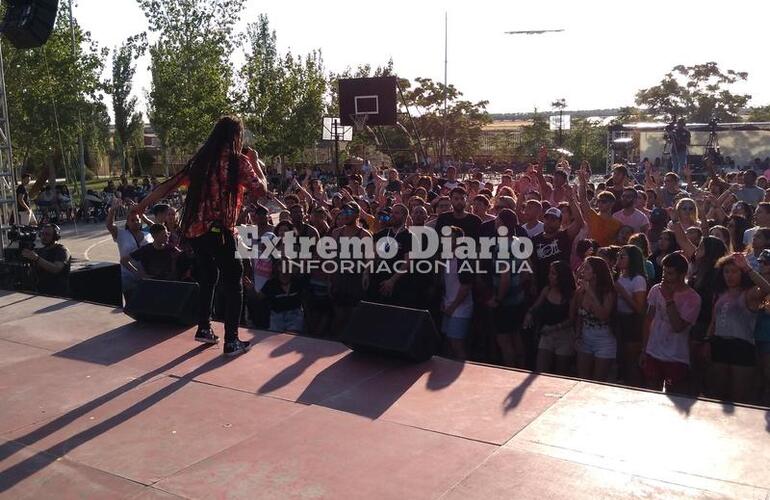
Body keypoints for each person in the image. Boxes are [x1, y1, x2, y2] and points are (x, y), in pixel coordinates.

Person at [134, 116, 267, 356]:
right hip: (220, 231)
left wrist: (141, 205)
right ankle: (232, 340)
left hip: (195, 231)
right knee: (234, 280)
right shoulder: (238, 162)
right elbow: (262, 190)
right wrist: (256, 162)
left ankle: (204, 327)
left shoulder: (202, 162)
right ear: (236, 136)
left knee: (209, 275)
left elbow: (168, 185)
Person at [706, 253, 770, 403]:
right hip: (719, 345)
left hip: (742, 347)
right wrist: (707, 342)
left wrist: (747, 268)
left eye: (734, 271)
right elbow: (713, 321)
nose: (730, 276)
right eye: (726, 271)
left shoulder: (749, 294)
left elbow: (767, 289)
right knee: (719, 395)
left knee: (739, 398)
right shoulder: (720, 294)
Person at [641, 252, 701, 393]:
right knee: (651, 394)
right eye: (664, 272)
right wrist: (644, 350)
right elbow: (648, 320)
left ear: (682, 275)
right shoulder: (656, 290)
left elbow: (678, 326)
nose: (665, 277)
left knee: (674, 396)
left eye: (670, 273)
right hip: (653, 352)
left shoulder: (693, 298)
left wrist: (669, 299)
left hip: (676, 357)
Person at [526, 260, 576, 375]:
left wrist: (554, 328)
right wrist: (529, 314)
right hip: (547, 334)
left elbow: (571, 319)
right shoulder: (547, 290)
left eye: (553, 273)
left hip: (564, 335)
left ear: (561, 276)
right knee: (540, 370)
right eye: (550, 273)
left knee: (560, 373)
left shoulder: (571, 295)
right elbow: (536, 306)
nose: (549, 276)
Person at [572, 256, 616, 382]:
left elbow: (603, 315)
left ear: (596, 273)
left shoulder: (608, 292)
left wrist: (590, 292)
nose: (582, 271)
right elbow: (578, 315)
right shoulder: (580, 292)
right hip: (585, 340)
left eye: (586, 268)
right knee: (582, 381)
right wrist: (577, 335)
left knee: (598, 383)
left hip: (604, 342)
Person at [107, 198, 153, 303]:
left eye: (137, 220)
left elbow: (158, 229)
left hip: (147, 275)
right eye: (132, 220)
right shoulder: (121, 234)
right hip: (128, 277)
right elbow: (110, 225)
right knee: (132, 304)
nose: (135, 222)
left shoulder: (148, 235)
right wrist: (112, 210)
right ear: (127, 222)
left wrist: (142, 214)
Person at [614, 245, 648, 387]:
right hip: (619, 321)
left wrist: (622, 291)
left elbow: (639, 308)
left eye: (623, 256)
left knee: (631, 362)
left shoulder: (638, 279)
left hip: (632, 323)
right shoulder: (619, 276)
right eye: (618, 256)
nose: (619, 259)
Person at [441, 226, 474, 360]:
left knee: (457, 345)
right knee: (448, 343)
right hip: (448, 306)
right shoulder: (447, 258)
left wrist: (453, 307)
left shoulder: (463, 259)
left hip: (460, 309)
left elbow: (465, 287)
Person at [21, 224, 71, 296]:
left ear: (55, 237)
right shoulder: (41, 251)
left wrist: (36, 258)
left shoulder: (62, 251)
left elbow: (56, 269)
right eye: (42, 234)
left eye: (47, 234)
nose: (43, 237)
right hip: (42, 293)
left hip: (59, 294)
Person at [262, 260, 305, 333]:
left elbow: (304, 300)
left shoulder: (297, 282)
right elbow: (260, 296)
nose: (284, 274)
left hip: (294, 314)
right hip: (277, 315)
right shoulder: (271, 284)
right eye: (281, 271)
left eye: (287, 271)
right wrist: (251, 290)